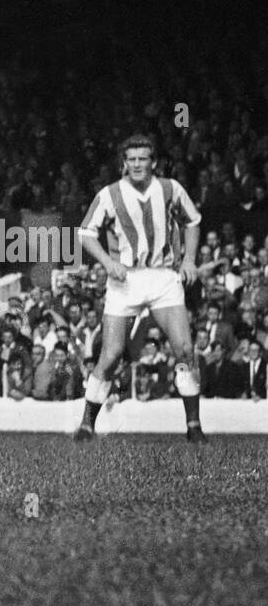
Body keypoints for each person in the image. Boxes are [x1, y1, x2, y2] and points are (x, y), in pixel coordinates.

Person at [73, 135, 206, 443]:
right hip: (125, 280)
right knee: (111, 354)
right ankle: (86, 424)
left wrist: (188, 260)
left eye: (142, 158)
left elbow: (193, 222)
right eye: (131, 159)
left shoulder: (171, 189)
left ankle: (194, 426)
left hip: (162, 277)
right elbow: (86, 233)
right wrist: (107, 262)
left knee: (184, 349)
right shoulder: (109, 194)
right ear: (124, 163)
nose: (136, 164)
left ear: (153, 162)